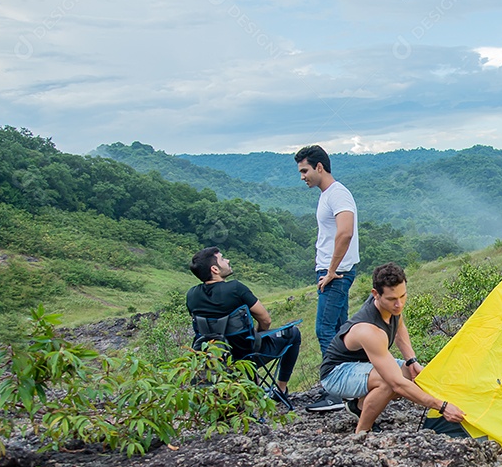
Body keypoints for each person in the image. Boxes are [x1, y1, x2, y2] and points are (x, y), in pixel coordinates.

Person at [319, 262, 465, 434]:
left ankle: (358, 406)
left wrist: (412, 361)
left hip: (365, 364)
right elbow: (396, 384)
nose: (399, 304)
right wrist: (442, 406)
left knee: (414, 375)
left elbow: (399, 329)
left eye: (403, 296)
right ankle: (362, 433)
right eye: (392, 299)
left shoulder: (391, 306)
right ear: (376, 295)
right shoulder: (369, 330)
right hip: (337, 373)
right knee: (388, 382)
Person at [186, 247, 302, 398]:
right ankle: (280, 390)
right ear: (214, 269)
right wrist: (258, 333)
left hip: (214, 360)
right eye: (222, 259)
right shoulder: (235, 288)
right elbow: (266, 320)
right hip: (247, 356)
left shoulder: (192, 295)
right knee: (293, 333)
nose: (227, 261)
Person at [296, 144, 360, 412]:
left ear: (319, 167)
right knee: (341, 330)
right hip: (335, 270)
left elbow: (345, 232)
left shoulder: (338, 194)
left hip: (335, 273)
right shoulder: (327, 194)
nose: (302, 177)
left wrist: (332, 270)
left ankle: (333, 393)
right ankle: (351, 386)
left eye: (305, 170)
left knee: (324, 330)